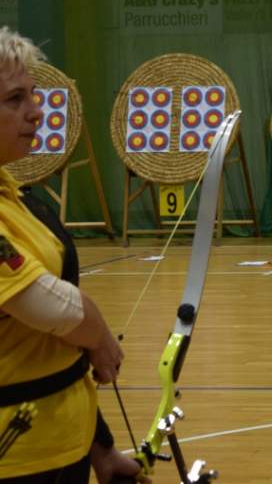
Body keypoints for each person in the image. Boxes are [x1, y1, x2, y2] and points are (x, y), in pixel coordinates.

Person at [0, 27, 144, 483]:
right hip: (17, 456)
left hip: (62, 447)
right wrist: (97, 330)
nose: (36, 110)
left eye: (34, 95)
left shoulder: (15, 197)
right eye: (15, 99)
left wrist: (102, 449)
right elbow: (47, 307)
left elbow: (54, 345)